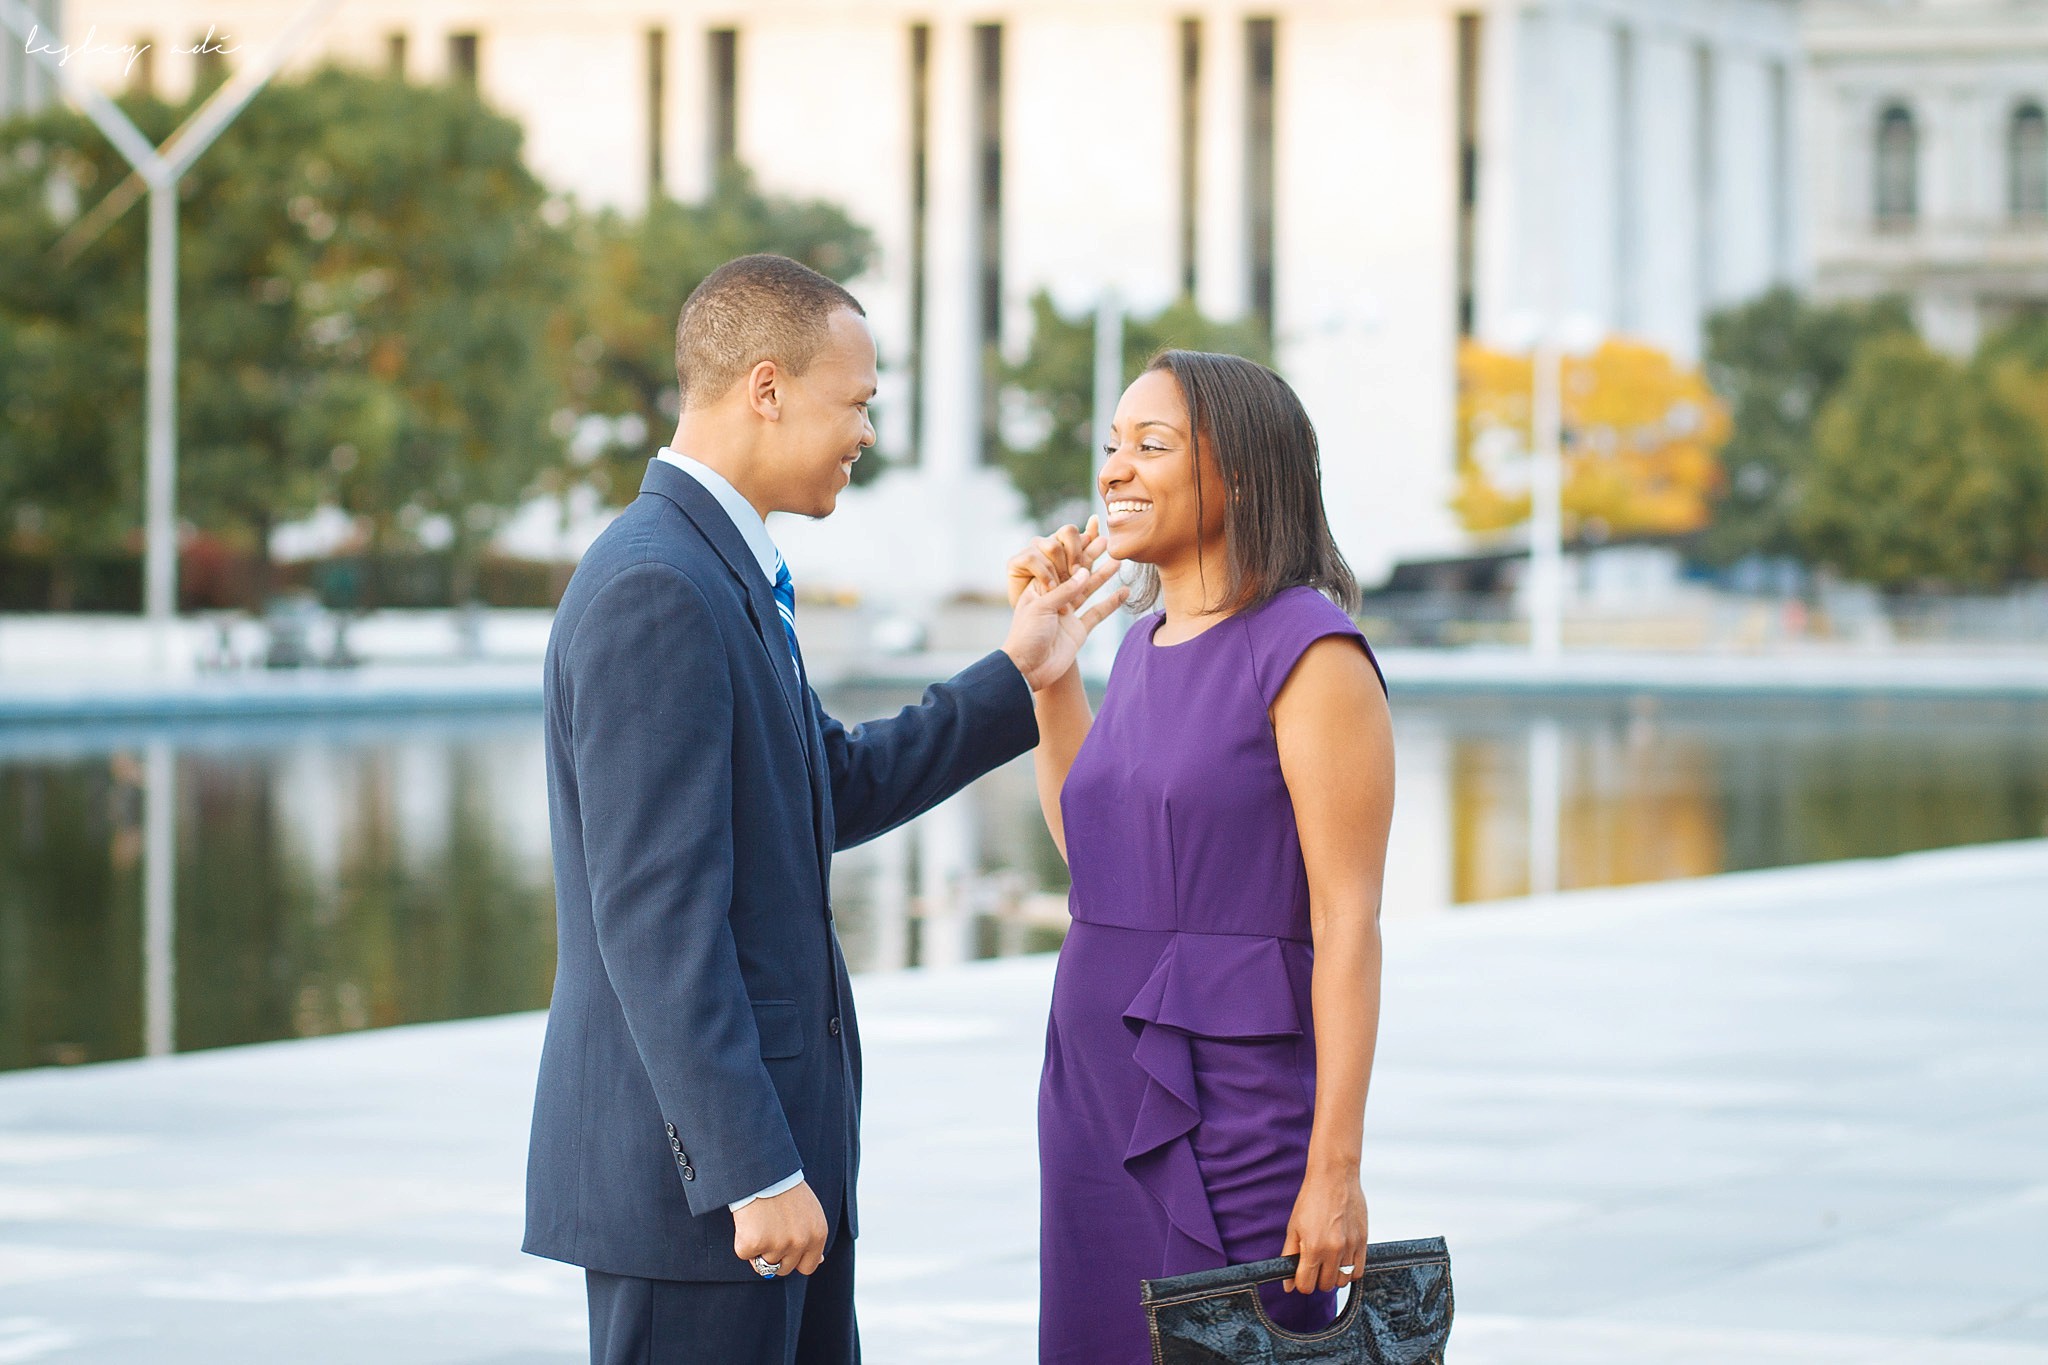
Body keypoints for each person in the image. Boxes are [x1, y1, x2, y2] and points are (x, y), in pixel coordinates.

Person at [523, 254, 1125, 1365]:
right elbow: (657, 923)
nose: (864, 433)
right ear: (765, 387)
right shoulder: (659, 586)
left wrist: (1021, 669)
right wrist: (752, 1168)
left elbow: (827, 787)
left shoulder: (721, 572)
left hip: (770, 1182)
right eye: (855, 403)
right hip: (705, 1203)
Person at [1012, 350, 1395, 1365]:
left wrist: (1336, 1171)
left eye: (1151, 445)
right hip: (1092, 1091)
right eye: (1110, 447)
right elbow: (1100, 862)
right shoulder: (1136, 647)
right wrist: (1054, 683)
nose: (1115, 471)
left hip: (1232, 1112)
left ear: (1243, 473)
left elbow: (1346, 922)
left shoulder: (1309, 651)